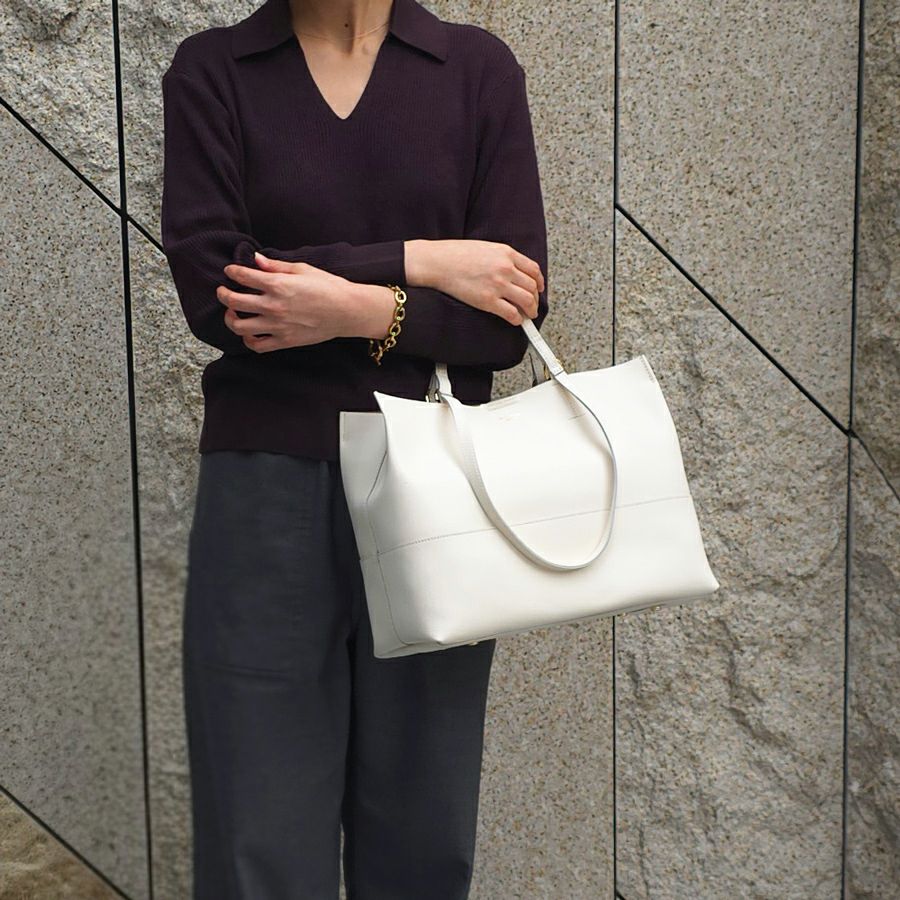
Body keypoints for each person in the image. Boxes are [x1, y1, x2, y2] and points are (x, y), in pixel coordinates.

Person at [159, 0, 549, 896]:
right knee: (257, 830)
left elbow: (507, 319)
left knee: (423, 826)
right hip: (264, 491)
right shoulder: (214, 71)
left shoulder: (475, 72)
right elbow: (222, 291)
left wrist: (358, 307)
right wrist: (423, 261)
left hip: (438, 488)